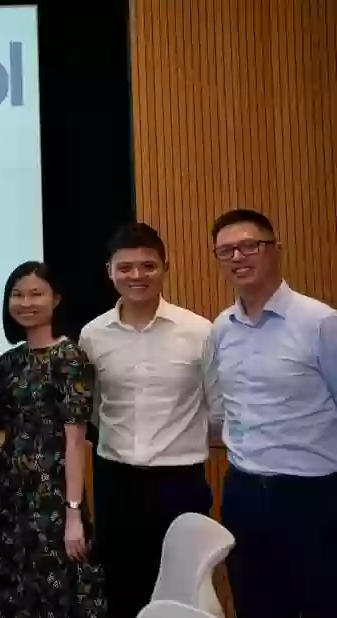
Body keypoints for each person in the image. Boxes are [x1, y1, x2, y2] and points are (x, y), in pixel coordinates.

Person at [78, 223, 216, 618]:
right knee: (121, 589)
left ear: (165, 268)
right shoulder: (92, 335)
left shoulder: (199, 331)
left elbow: (216, 403)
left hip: (180, 481)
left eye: (148, 266)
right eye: (125, 267)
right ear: (109, 271)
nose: (136, 275)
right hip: (116, 480)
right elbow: (94, 406)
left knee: (183, 589)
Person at [206, 209, 337, 618]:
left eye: (249, 246)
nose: (237, 257)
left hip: (312, 496)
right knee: (254, 605)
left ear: (275, 250)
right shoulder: (221, 328)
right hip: (243, 492)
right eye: (226, 250)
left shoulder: (320, 322)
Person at [0, 261, 106, 618]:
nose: (26, 302)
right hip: (9, 490)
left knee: (53, 589)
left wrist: (74, 513)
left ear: (56, 299)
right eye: (17, 295)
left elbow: (75, 441)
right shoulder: (9, 361)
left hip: (52, 494)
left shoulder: (70, 357)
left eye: (36, 294)